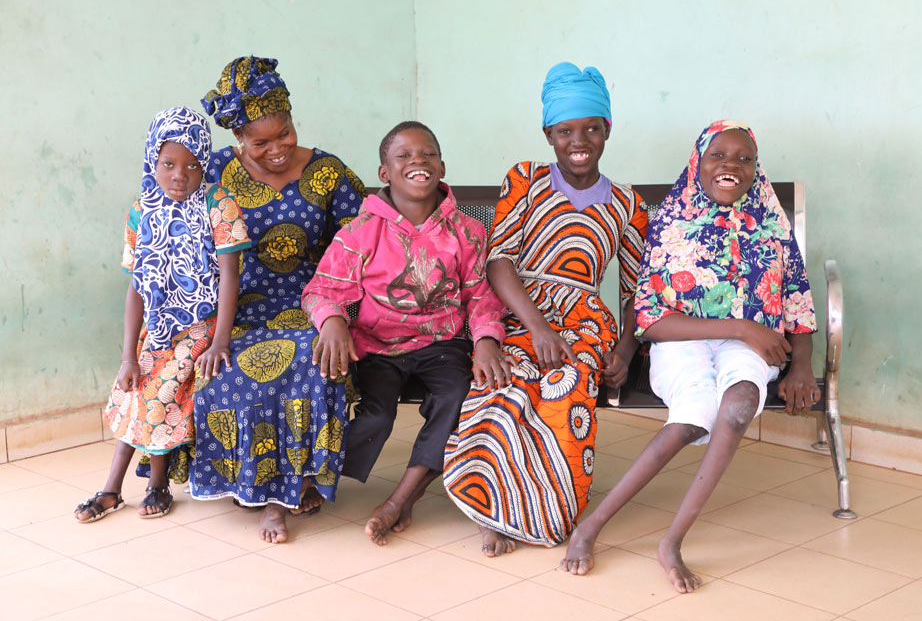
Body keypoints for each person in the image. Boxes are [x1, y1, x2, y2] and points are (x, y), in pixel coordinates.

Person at [560, 120, 820, 592]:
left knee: (739, 404)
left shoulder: (770, 220)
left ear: (755, 169)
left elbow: (797, 296)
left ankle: (672, 541)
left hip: (751, 346)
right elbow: (651, 320)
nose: (731, 166)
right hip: (684, 341)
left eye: (744, 159)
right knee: (692, 419)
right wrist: (741, 326)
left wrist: (801, 364)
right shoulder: (672, 223)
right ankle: (590, 527)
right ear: (698, 162)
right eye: (718, 155)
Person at [442, 63, 649, 557]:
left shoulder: (627, 203)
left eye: (591, 129)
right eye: (565, 132)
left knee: (567, 385)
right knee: (501, 382)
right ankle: (486, 510)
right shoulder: (526, 179)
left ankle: (544, 511)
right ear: (549, 135)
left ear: (607, 131)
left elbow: (635, 291)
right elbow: (498, 260)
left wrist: (624, 349)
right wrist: (536, 327)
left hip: (582, 319)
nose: (579, 140)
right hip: (518, 309)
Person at [302, 121, 509, 545]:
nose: (418, 161)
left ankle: (400, 498)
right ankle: (321, 477)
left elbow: (482, 296)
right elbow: (322, 289)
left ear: (441, 166)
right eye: (405, 156)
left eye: (428, 154)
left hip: (443, 345)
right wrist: (334, 320)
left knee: (454, 399)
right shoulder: (362, 231)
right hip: (379, 347)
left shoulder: (466, 233)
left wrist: (486, 341)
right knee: (376, 414)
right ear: (385, 173)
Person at [190, 56, 366, 544]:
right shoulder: (218, 172)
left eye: (283, 133)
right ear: (238, 139)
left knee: (312, 359)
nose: (276, 149)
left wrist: (337, 314)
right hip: (237, 305)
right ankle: (250, 480)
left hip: (313, 300)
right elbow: (191, 242)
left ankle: (295, 483)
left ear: (292, 119)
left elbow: (359, 246)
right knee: (224, 365)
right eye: (259, 142)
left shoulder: (329, 173)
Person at [74, 107, 249, 522]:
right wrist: (128, 355)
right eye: (168, 164)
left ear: (203, 164)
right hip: (156, 326)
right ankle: (117, 489)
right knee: (132, 390)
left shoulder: (218, 203)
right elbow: (136, 286)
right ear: (153, 159)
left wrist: (220, 339)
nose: (179, 176)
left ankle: (148, 486)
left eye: (191, 166)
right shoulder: (142, 208)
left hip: (202, 322)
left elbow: (229, 279)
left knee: (156, 397)